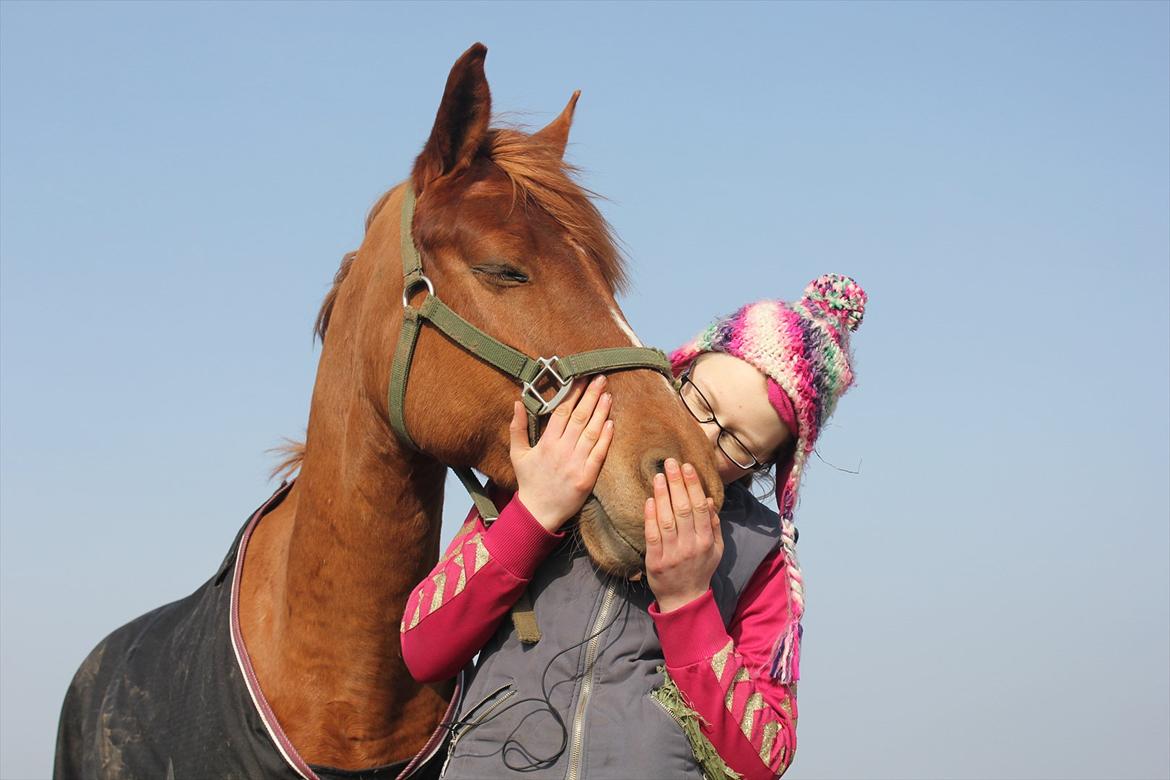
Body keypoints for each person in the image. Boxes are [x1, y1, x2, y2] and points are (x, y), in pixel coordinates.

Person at [400, 273, 867, 779]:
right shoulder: (560, 460)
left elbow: (765, 760)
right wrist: (534, 514)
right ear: (678, 369)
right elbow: (423, 650)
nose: (701, 436)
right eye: (701, 402)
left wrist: (688, 601)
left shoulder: (761, 555)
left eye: (739, 444)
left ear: (769, 465)